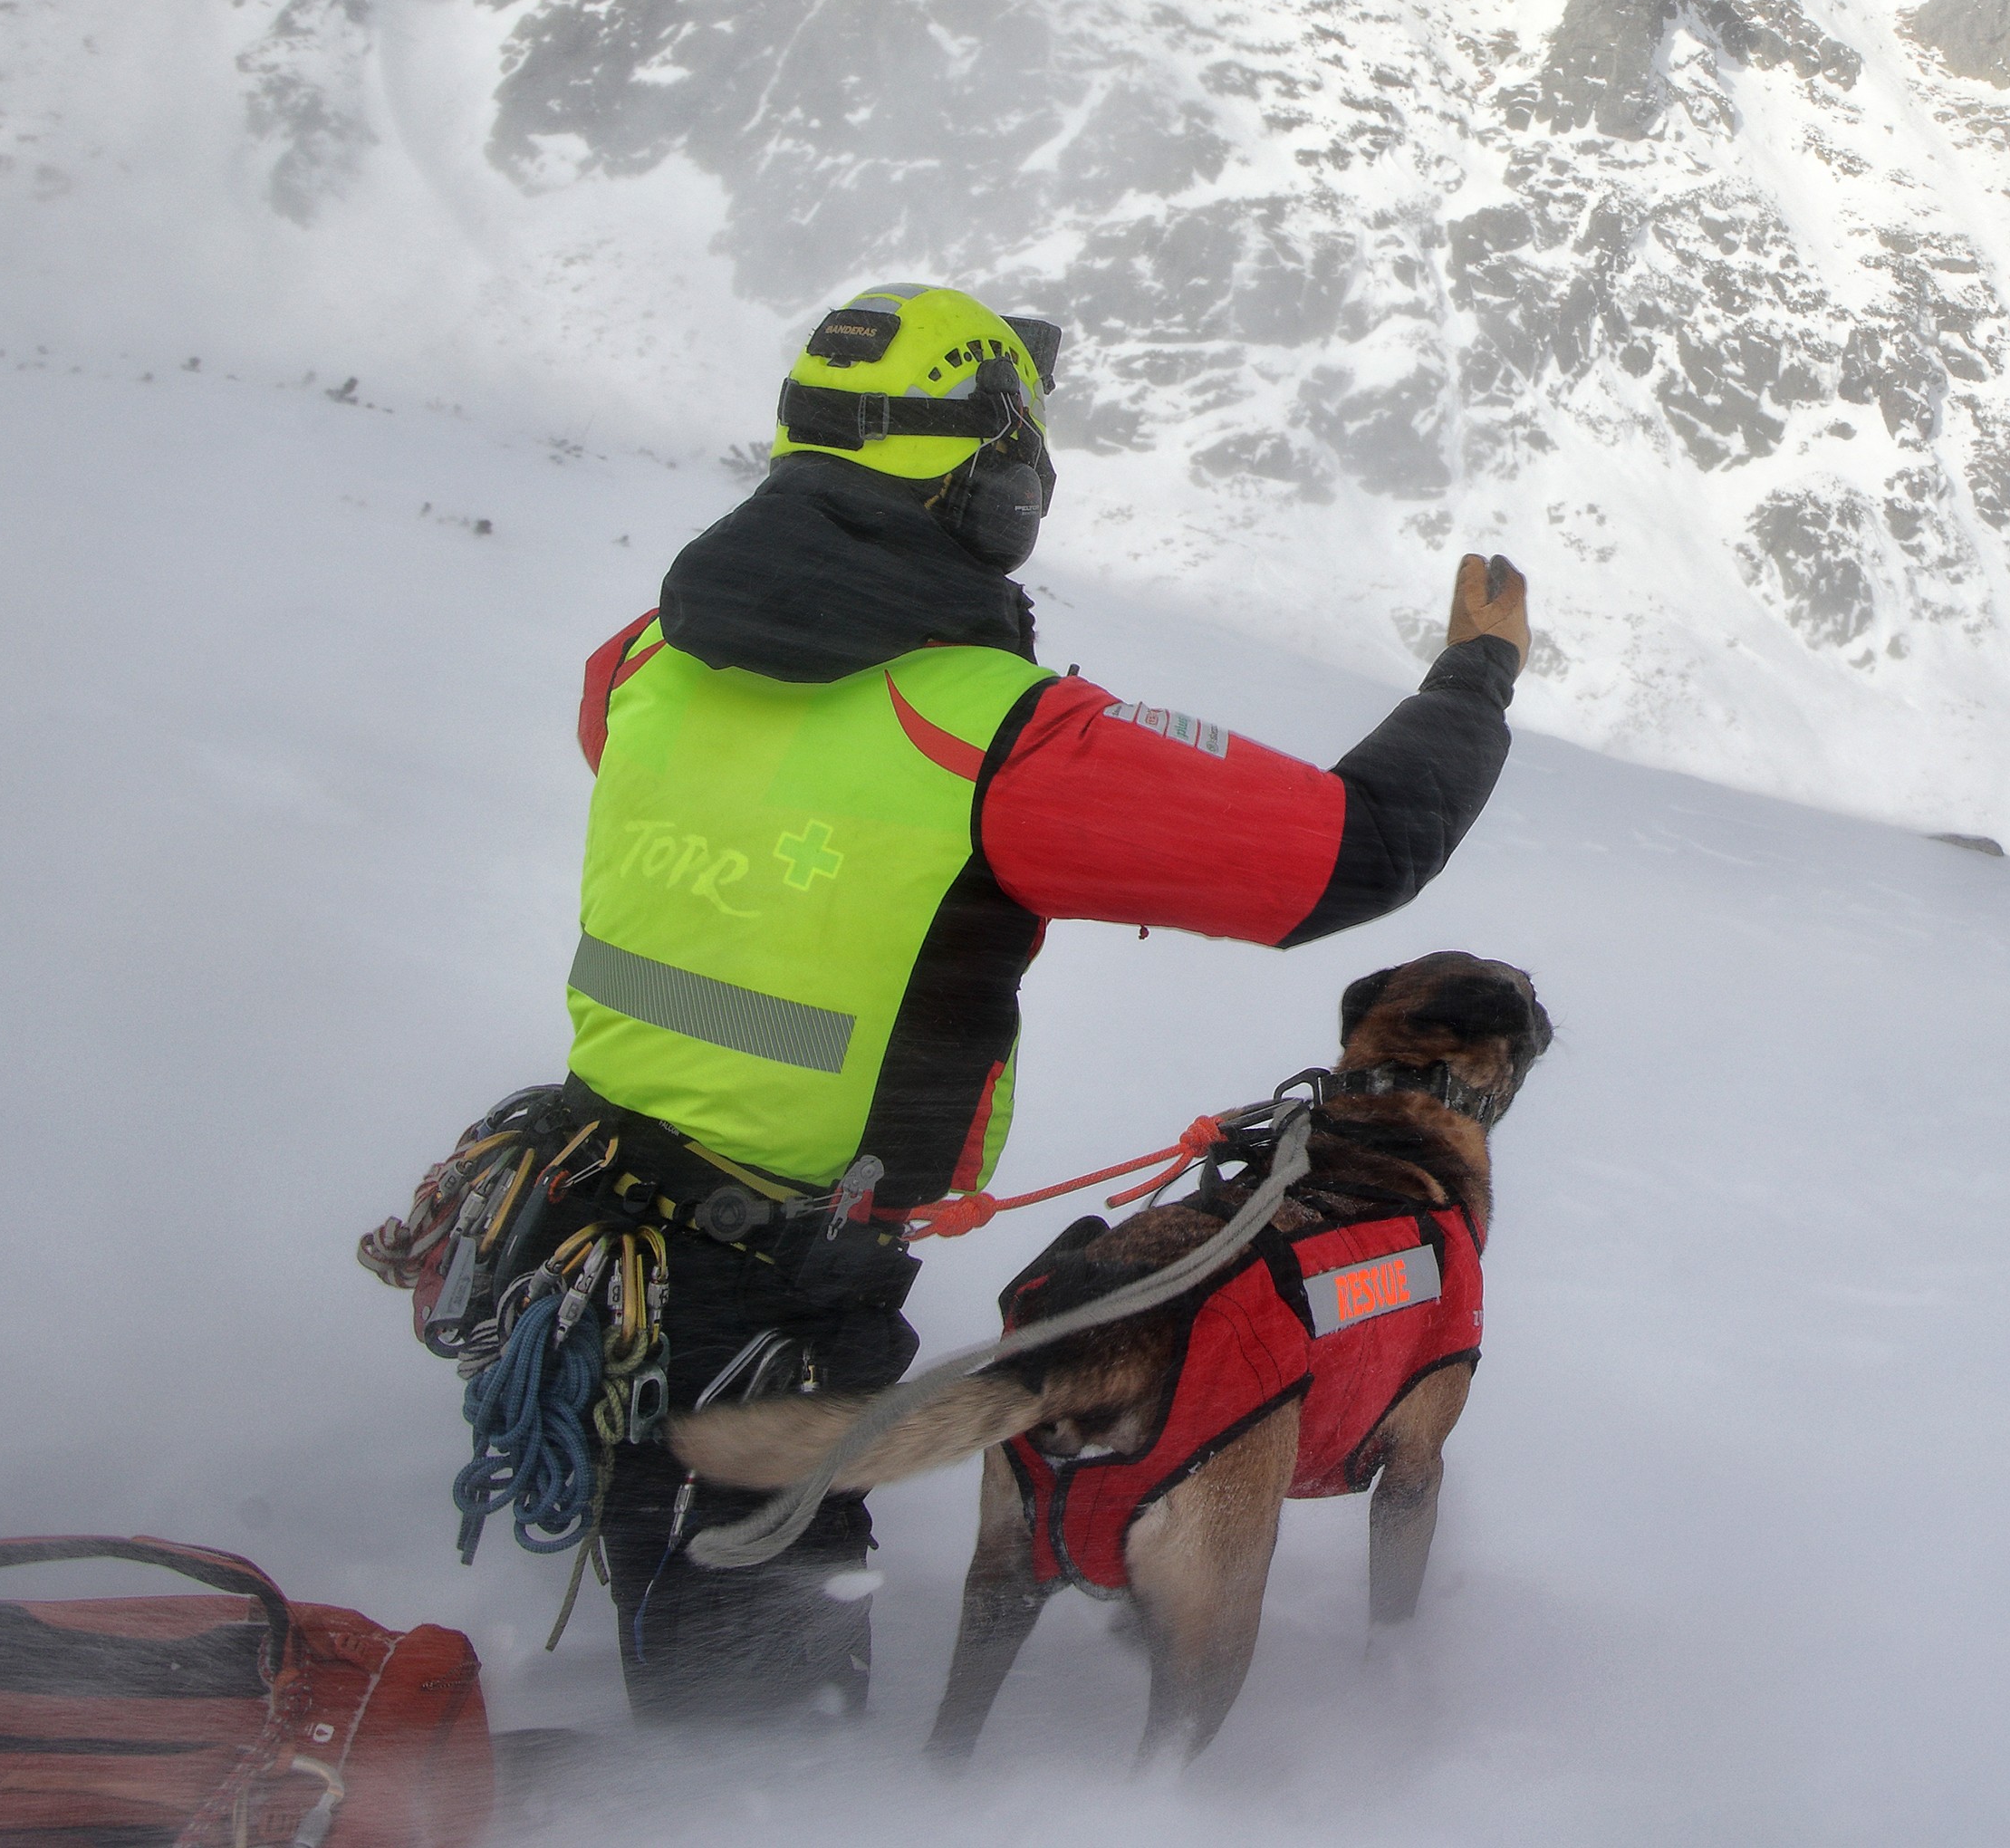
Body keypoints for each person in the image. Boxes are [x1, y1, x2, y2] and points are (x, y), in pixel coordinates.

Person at [560, 282, 1531, 1727]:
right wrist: (1479, 670)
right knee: (746, 1716)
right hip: (779, 1274)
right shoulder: (997, 735)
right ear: (993, 483)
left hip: (593, 1208)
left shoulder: (644, 662)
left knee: (666, 1540)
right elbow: (1356, 846)